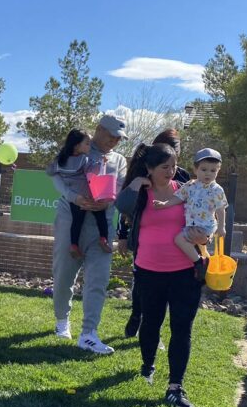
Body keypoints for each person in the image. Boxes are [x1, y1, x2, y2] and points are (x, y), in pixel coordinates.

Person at [115, 143, 208, 407]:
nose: (171, 171)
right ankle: (147, 364)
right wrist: (136, 184)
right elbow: (120, 207)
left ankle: (175, 387)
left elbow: (203, 221)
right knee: (151, 324)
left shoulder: (186, 192)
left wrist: (205, 237)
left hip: (184, 272)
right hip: (148, 272)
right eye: (164, 167)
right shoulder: (141, 194)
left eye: (174, 165)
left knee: (181, 328)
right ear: (150, 169)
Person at [50, 115, 128, 354]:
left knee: (98, 279)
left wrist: (106, 202)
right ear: (98, 129)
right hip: (71, 220)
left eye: (118, 138)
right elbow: (56, 176)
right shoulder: (77, 148)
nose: (114, 141)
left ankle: (89, 333)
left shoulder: (119, 160)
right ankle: (62, 320)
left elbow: (119, 187)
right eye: (111, 135)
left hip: (101, 225)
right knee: (64, 274)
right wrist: (75, 198)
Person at [122, 129, 190, 338]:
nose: (170, 170)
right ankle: (136, 315)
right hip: (145, 242)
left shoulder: (183, 178)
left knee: (166, 293)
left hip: (176, 247)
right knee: (141, 285)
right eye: (165, 165)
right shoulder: (142, 177)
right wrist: (123, 235)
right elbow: (125, 208)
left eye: (176, 157)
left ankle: (154, 329)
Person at [152, 148, 228, 281]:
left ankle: (199, 263)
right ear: (195, 169)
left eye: (213, 171)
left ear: (218, 171)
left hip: (205, 226)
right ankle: (200, 262)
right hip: (191, 224)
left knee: (179, 240)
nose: (208, 174)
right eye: (204, 170)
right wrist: (165, 204)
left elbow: (221, 209)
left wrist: (222, 227)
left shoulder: (216, 189)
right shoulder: (190, 185)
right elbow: (178, 198)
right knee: (187, 242)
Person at [47, 128, 112, 258]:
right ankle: (103, 238)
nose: (90, 146)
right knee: (101, 218)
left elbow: (50, 171)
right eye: (87, 143)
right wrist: (101, 163)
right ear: (77, 146)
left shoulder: (60, 160)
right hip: (90, 196)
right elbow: (92, 172)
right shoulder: (83, 159)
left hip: (75, 198)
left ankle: (74, 245)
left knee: (77, 221)